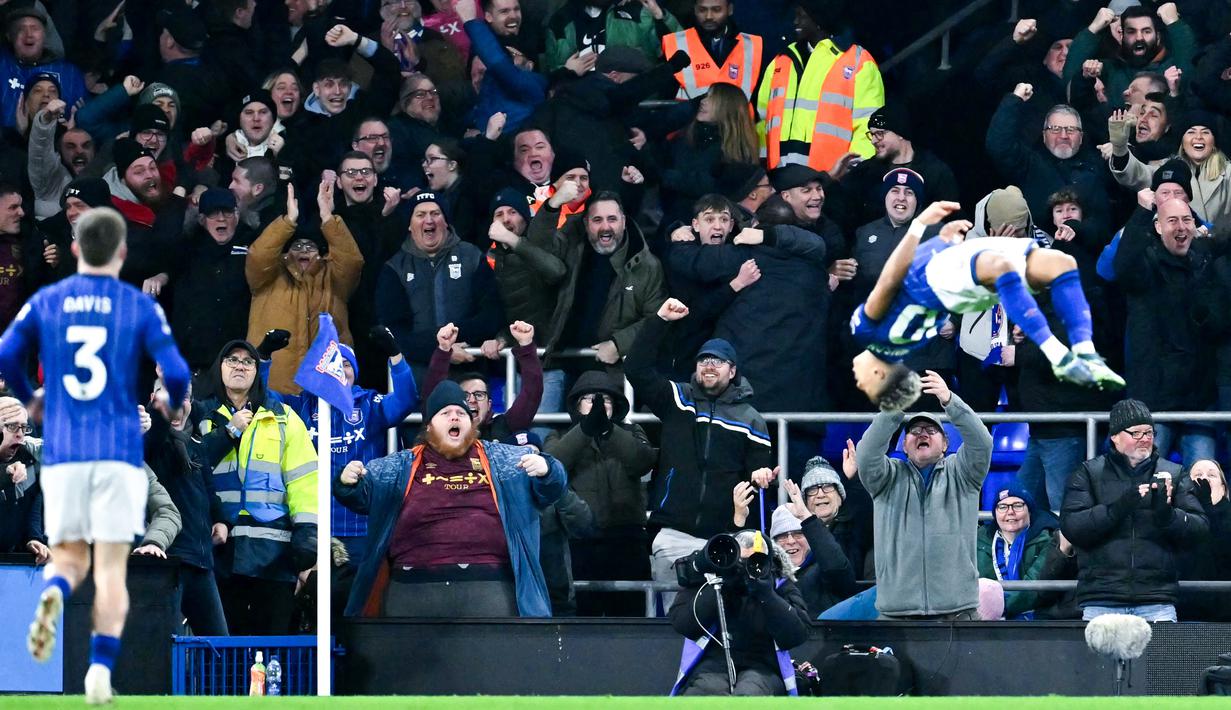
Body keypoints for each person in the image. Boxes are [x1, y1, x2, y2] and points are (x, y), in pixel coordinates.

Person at [0, 207, 190, 704]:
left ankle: (54, 593)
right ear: (122, 253)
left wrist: (32, 397)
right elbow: (177, 372)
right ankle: (100, 672)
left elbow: (6, 352)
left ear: (76, 250)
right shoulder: (137, 306)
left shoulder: (49, 299)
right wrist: (168, 399)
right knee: (109, 568)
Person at [850, 201, 1122, 410]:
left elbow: (890, 279)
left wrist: (920, 227)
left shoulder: (867, 329)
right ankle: (1072, 349)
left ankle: (1072, 348)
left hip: (946, 276)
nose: (858, 375)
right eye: (866, 378)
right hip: (957, 284)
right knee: (1048, 267)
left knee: (1045, 267)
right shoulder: (881, 338)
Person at [334, 380, 567, 617]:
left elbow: (551, 489)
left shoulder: (505, 459)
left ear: (471, 423)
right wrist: (347, 483)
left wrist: (548, 470)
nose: (454, 418)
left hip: (490, 590)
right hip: (412, 592)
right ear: (430, 426)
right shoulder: (397, 466)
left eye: (461, 413)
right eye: (445, 413)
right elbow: (360, 498)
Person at [625, 297, 774, 590]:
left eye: (717, 361)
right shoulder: (678, 399)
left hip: (725, 537)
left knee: (721, 623)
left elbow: (757, 473)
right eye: (704, 360)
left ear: (732, 371)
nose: (709, 366)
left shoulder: (752, 419)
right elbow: (636, 369)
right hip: (673, 533)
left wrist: (761, 476)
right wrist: (660, 320)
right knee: (675, 623)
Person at [198, 339, 319, 635]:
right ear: (219, 368)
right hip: (218, 553)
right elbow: (190, 463)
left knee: (271, 655)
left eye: (247, 361)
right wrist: (230, 431)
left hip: (273, 556)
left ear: (257, 371)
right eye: (232, 360)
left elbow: (305, 482)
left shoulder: (284, 417)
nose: (240, 366)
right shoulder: (200, 415)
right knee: (224, 658)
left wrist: (306, 544)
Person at [854, 372, 992, 620]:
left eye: (931, 430)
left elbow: (982, 444)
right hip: (896, 615)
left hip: (959, 614)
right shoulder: (887, 477)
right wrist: (894, 410)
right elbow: (866, 455)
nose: (922, 434)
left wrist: (950, 401)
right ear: (904, 445)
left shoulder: (962, 473)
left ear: (946, 443)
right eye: (914, 431)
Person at [1060, 399, 1208, 622]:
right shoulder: (1088, 473)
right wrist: (1118, 508)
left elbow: (1199, 529)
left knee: (1160, 659)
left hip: (1157, 601)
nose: (1145, 440)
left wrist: (1166, 515)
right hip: (1101, 600)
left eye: (1149, 433)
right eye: (1136, 433)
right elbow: (1073, 528)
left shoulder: (1175, 473)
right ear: (1115, 436)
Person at [1113, 197, 1218, 465]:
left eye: (1186, 220)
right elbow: (1123, 265)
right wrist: (1140, 212)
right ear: (1158, 227)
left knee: (1204, 484)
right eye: (1172, 221)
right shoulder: (1145, 265)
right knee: (1144, 484)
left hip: (1199, 401)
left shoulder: (1203, 262)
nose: (1181, 227)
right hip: (1154, 402)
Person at [544, 370, 656, 616]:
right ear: (576, 404)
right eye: (591, 399)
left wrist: (608, 430)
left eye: (605, 399)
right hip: (581, 545)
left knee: (632, 626)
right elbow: (554, 467)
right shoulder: (559, 436)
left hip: (628, 542)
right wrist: (585, 430)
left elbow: (643, 461)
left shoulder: (632, 432)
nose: (598, 405)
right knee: (585, 626)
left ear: (615, 405)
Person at [246, 181, 364, 394]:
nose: (303, 251)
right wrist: (287, 222)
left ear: (321, 253)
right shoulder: (268, 276)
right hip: (274, 389)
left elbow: (352, 261)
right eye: (296, 246)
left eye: (310, 247)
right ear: (285, 252)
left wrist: (328, 218)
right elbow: (258, 256)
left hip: (326, 390)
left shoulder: (334, 277)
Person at [669, 530, 811, 695]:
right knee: (706, 690)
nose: (745, 568)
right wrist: (723, 584)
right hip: (713, 664)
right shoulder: (711, 581)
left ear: (769, 563)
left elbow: (797, 634)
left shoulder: (779, 585)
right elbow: (683, 624)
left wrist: (767, 595)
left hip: (763, 666)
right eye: (740, 561)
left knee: (750, 693)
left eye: (755, 561)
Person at [755, 0, 883, 171]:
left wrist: (853, 172)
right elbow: (763, 119)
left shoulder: (858, 62)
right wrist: (762, 169)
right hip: (780, 177)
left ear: (818, 19)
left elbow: (868, 125)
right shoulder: (781, 61)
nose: (796, 22)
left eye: (802, 16)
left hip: (831, 179)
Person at [759, 478, 859, 618]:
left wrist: (805, 517)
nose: (791, 541)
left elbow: (836, 567)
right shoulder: (768, 580)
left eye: (798, 534)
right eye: (782, 536)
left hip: (824, 638)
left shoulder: (823, 571)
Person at [1063, 3, 1196, 108]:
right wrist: (1092, 30)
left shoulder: (1170, 69)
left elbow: (1189, 73)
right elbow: (1070, 82)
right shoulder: (1109, 69)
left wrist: (1175, 24)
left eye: (1146, 31)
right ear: (1122, 36)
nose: (1139, 37)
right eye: (1131, 32)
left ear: (1158, 37)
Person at [977, 484, 1057, 619]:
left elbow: (1033, 587)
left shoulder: (1047, 540)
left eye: (1018, 505)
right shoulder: (979, 540)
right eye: (1002, 507)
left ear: (1029, 511)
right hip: (985, 621)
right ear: (995, 513)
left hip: (1035, 621)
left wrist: (996, 607)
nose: (1010, 512)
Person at [661, 0, 764, 99]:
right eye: (702, 10)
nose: (708, 16)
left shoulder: (752, 44)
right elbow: (664, 95)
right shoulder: (675, 43)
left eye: (716, 10)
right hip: (690, 116)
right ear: (695, 10)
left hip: (737, 116)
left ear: (730, 10)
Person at [1176, 460, 1231, 621]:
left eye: (1212, 475)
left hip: (1226, 612)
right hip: (1184, 610)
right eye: (1198, 475)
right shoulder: (1175, 517)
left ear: (1223, 488)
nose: (1204, 479)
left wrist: (1208, 506)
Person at [0, 398, 48, 564]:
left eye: (23, 427)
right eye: (12, 426)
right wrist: (5, 472)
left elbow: (34, 498)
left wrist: (33, 537)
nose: (20, 433)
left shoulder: (28, 455)